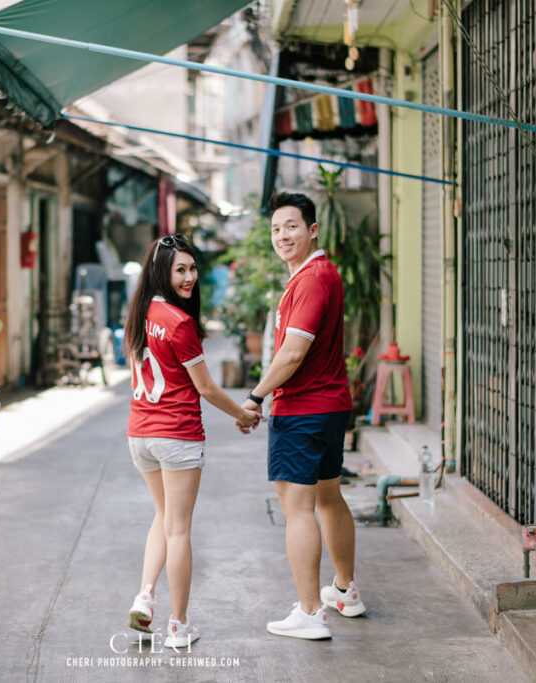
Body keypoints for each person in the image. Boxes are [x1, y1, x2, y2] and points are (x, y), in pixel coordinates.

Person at [124, 233, 261, 648]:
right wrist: (244, 414)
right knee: (179, 529)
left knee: (163, 517)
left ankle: (145, 597)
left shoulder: (141, 313)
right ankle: (178, 626)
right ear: (161, 273)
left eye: (191, 269)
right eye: (179, 270)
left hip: (140, 435)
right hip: (176, 435)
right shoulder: (180, 324)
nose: (189, 277)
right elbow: (206, 388)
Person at [240, 191, 365, 641]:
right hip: (331, 407)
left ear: (313, 229)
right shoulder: (321, 274)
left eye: (291, 226)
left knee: (297, 510)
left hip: (304, 410)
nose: (282, 236)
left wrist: (255, 397)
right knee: (328, 498)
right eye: (275, 229)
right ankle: (345, 591)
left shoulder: (311, 280)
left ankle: (310, 613)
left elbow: (292, 353)